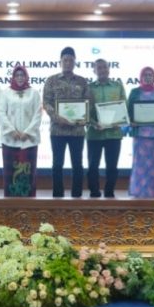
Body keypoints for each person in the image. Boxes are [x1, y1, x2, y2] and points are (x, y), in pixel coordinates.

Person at [42, 46, 91, 198]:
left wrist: (84, 118)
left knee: (77, 165)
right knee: (57, 165)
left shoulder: (82, 82)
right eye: (65, 60)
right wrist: (57, 117)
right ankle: (58, 195)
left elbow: (88, 103)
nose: (68, 63)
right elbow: (46, 102)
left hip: (77, 131)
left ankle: (77, 196)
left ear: (75, 62)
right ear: (60, 62)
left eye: (71, 60)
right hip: (58, 130)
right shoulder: (51, 81)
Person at [0, 64, 41, 197]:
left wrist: (27, 132)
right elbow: (1, 113)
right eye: (17, 75)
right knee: (10, 174)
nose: (20, 78)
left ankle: (29, 203)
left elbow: (38, 114)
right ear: (13, 77)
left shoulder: (33, 93)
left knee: (28, 174)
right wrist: (12, 131)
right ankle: (11, 204)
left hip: (29, 140)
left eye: (22, 75)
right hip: (10, 140)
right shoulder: (6, 93)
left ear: (26, 76)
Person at [126, 66, 154, 198]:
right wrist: (130, 122)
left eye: (150, 75)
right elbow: (127, 113)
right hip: (140, 136)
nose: (148, 77)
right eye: (145, 74)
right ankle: (138, 192)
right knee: (140, 165)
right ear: (141, 77)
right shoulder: (134, 92)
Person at [87, 58, 126, 198]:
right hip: (94, 133)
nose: (102, 70)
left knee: (112, 167)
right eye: (99, 68)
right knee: (92, 167)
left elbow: (124, 107)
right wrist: (93, 123)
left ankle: (109, 193)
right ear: (94, 71)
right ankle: (94, 193)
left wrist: (120, 121)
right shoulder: (89, 87)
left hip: (114, 134)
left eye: (104, 67)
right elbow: (85, 111)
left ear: (109, 69)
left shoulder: (118, 86)